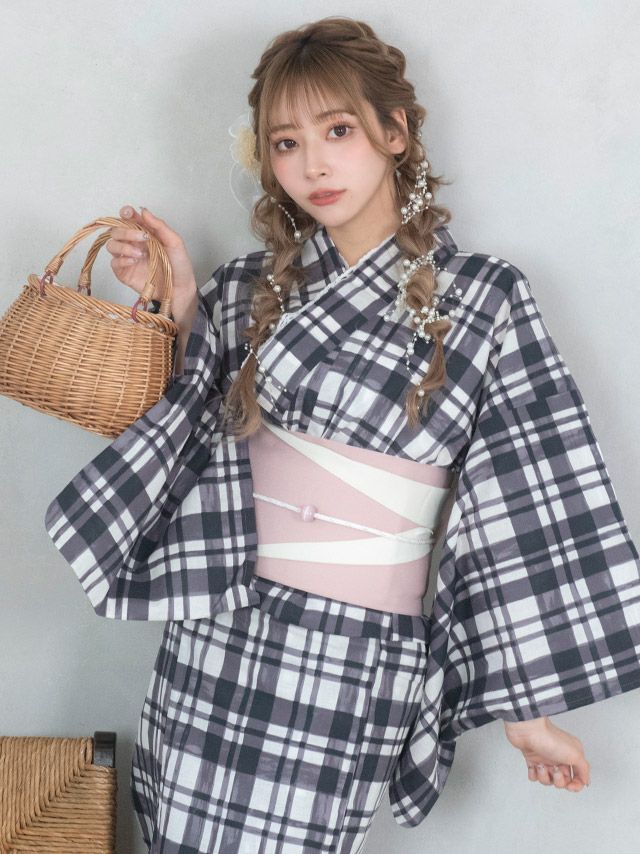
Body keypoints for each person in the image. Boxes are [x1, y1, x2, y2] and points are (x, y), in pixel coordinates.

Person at [43, 16, 640, 853]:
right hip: (219, 630)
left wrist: (528, 716)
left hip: (354, 654)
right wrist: (175, 304)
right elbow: (194, 432)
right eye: (285, 143)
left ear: (395, 132)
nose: (313, 165)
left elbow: (525, 499)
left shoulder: (486, 296)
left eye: (338, 131)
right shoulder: (247, 286)